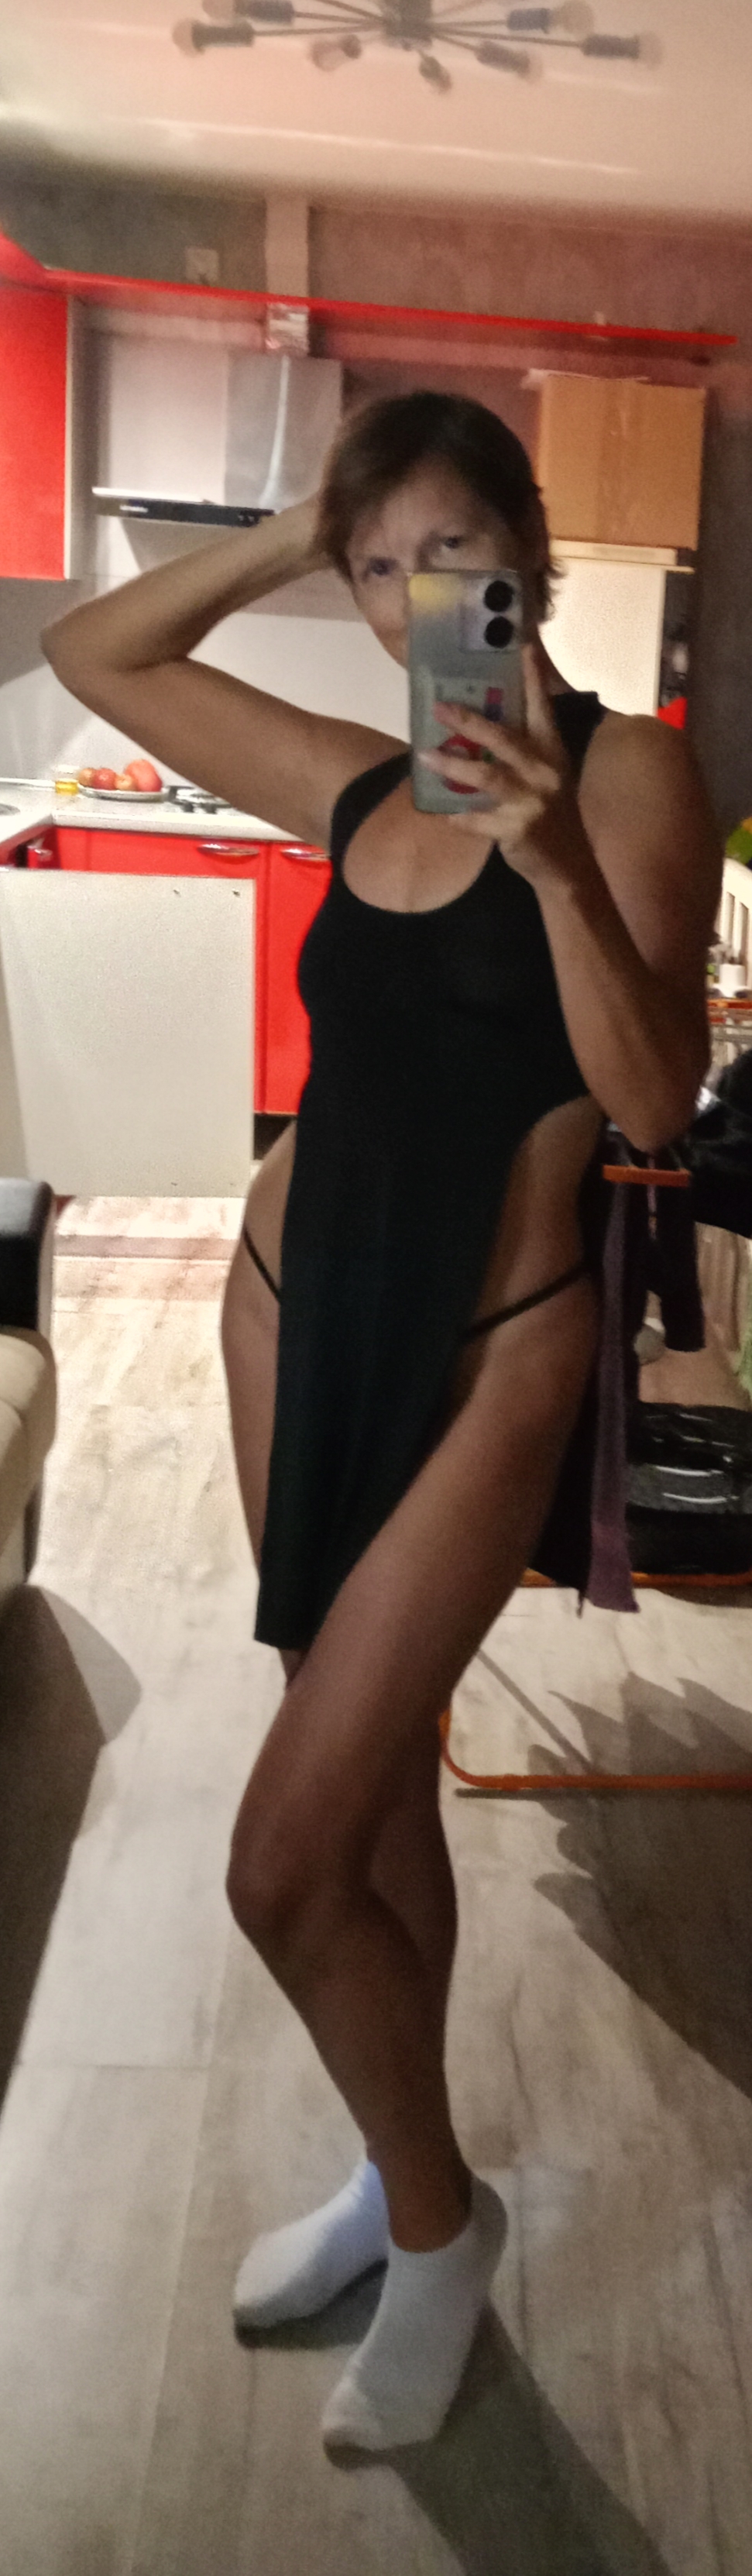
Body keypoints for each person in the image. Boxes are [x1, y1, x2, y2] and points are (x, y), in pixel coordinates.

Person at [42, 391, 720, 2453]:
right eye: (379, 572)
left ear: (527, 553)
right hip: (288, 1315)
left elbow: (654, 1100)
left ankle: (440, 2228)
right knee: (371, 1796)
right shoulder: (354, 786)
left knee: (280, 1862)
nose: (417, 600)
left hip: (491, 1349)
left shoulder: (628, 775)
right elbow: (93, 652)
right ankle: (391, 2154)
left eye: (452, 560)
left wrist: (546, 853)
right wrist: (295, 528)